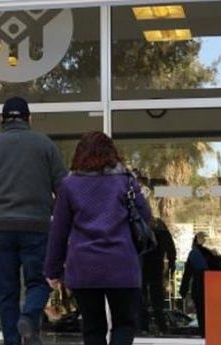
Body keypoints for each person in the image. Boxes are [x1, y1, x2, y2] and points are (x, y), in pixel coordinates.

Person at [0, 96, 67, 345]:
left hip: (1, 228)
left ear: (1, 119)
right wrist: (60, 218)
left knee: (7, 291)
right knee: (40, 282)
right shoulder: (45, 145)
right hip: (36, 226)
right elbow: (64, 188)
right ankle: (30, 317)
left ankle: (13, 340)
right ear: (29, 118)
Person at [44, 131, 151, 345]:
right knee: (124, 324)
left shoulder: (69, 185)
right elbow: (145, 216)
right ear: (112, 153)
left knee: (93, 327)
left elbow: (59, 231)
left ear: (80, 154)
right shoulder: (126, 181)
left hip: (84, 266)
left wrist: (52, 270)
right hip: (122, 263)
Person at [179, 232, 221, 337]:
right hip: (213, 287)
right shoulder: (211, 254)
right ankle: (213, 331)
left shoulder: (194, 253)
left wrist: (183, 290)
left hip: (199, 286)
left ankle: (204, 332)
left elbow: (187, 273)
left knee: (201, 311)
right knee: (212, 311)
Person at [141, 218, 176, 334]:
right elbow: (171, 251)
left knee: (143, 298)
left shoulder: (143, 231)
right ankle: (161, 327)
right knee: (156, 299)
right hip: (156, 269)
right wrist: (171, 266)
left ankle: (144, 327)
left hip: (143, 268)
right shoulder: (163, 234)